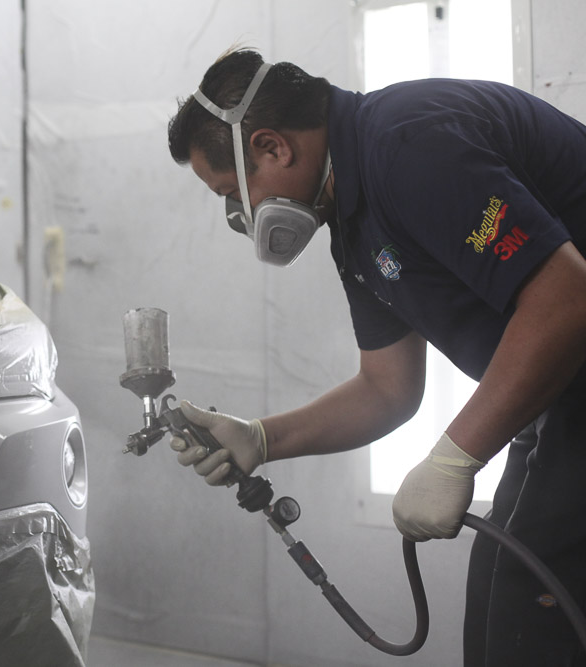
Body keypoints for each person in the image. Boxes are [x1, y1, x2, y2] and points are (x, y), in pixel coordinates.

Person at [165, 46, 586, 667]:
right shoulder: (354, 220)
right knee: (500, 588)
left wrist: (452, 460)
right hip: (563, 394)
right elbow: (388, 388)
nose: (240, 216)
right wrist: (258, 437)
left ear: (272, 147)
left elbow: (566, 297)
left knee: (535, 607)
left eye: (234, 193)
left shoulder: (411, 147)